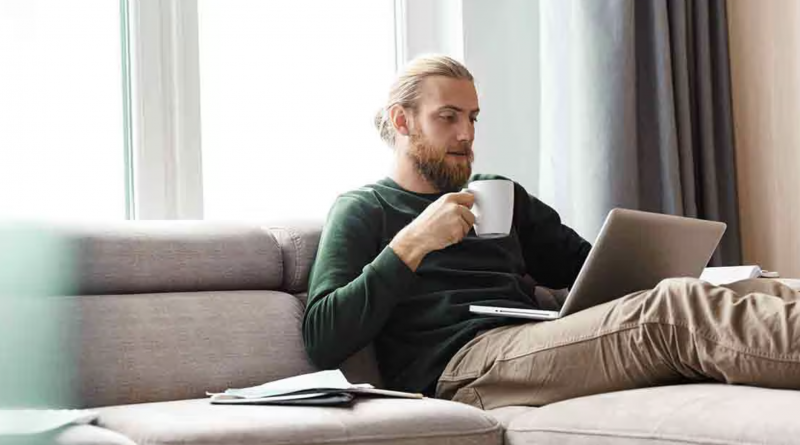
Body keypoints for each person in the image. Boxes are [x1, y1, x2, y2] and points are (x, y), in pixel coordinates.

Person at [302, 54, 800, 410]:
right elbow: (324, 336)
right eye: (447, 118)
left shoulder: (496, 193)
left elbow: (592, 269)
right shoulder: (365, 208)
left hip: (537, 338)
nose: (467, 135)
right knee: (671, 310)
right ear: (402, 121)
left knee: (758, 287)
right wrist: (413, 242)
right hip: (463, 366)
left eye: (472, 118)